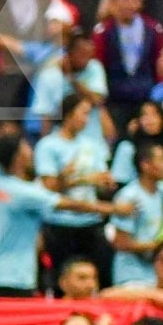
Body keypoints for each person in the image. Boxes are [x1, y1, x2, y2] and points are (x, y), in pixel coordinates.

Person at [0, 134, 127, 297]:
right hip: (15, 276)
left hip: (3, 272)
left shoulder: (3, 185)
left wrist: (68, 179)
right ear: (18, 157)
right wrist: (115, 209)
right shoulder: (23, 192)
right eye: (27, 148)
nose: (31, 152)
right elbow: (72, 205)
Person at [37, 94, 118, 289]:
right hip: (60, 224)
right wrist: (71, 179)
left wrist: (105, 183)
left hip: (91, 222)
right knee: (61, 279)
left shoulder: (92, 145)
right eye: (83, 114)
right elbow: (48, 188)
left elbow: (102, 180)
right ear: (69, 115)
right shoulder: (48, 146)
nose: (87, 120)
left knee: (103, 276)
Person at [94, 0, 163, 135]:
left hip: (146, 100)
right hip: (115, 102)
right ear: (114, 1)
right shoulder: (104, 31)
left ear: (141, 2)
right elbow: (98, 68)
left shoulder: (153, 29)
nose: (128, 4)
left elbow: (159, 65)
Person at [110, 143, 163, 287]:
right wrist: (159, 246)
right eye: (162, 159)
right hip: (133, 273)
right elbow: (121, 242)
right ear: (145, 165)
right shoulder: (129, 196)